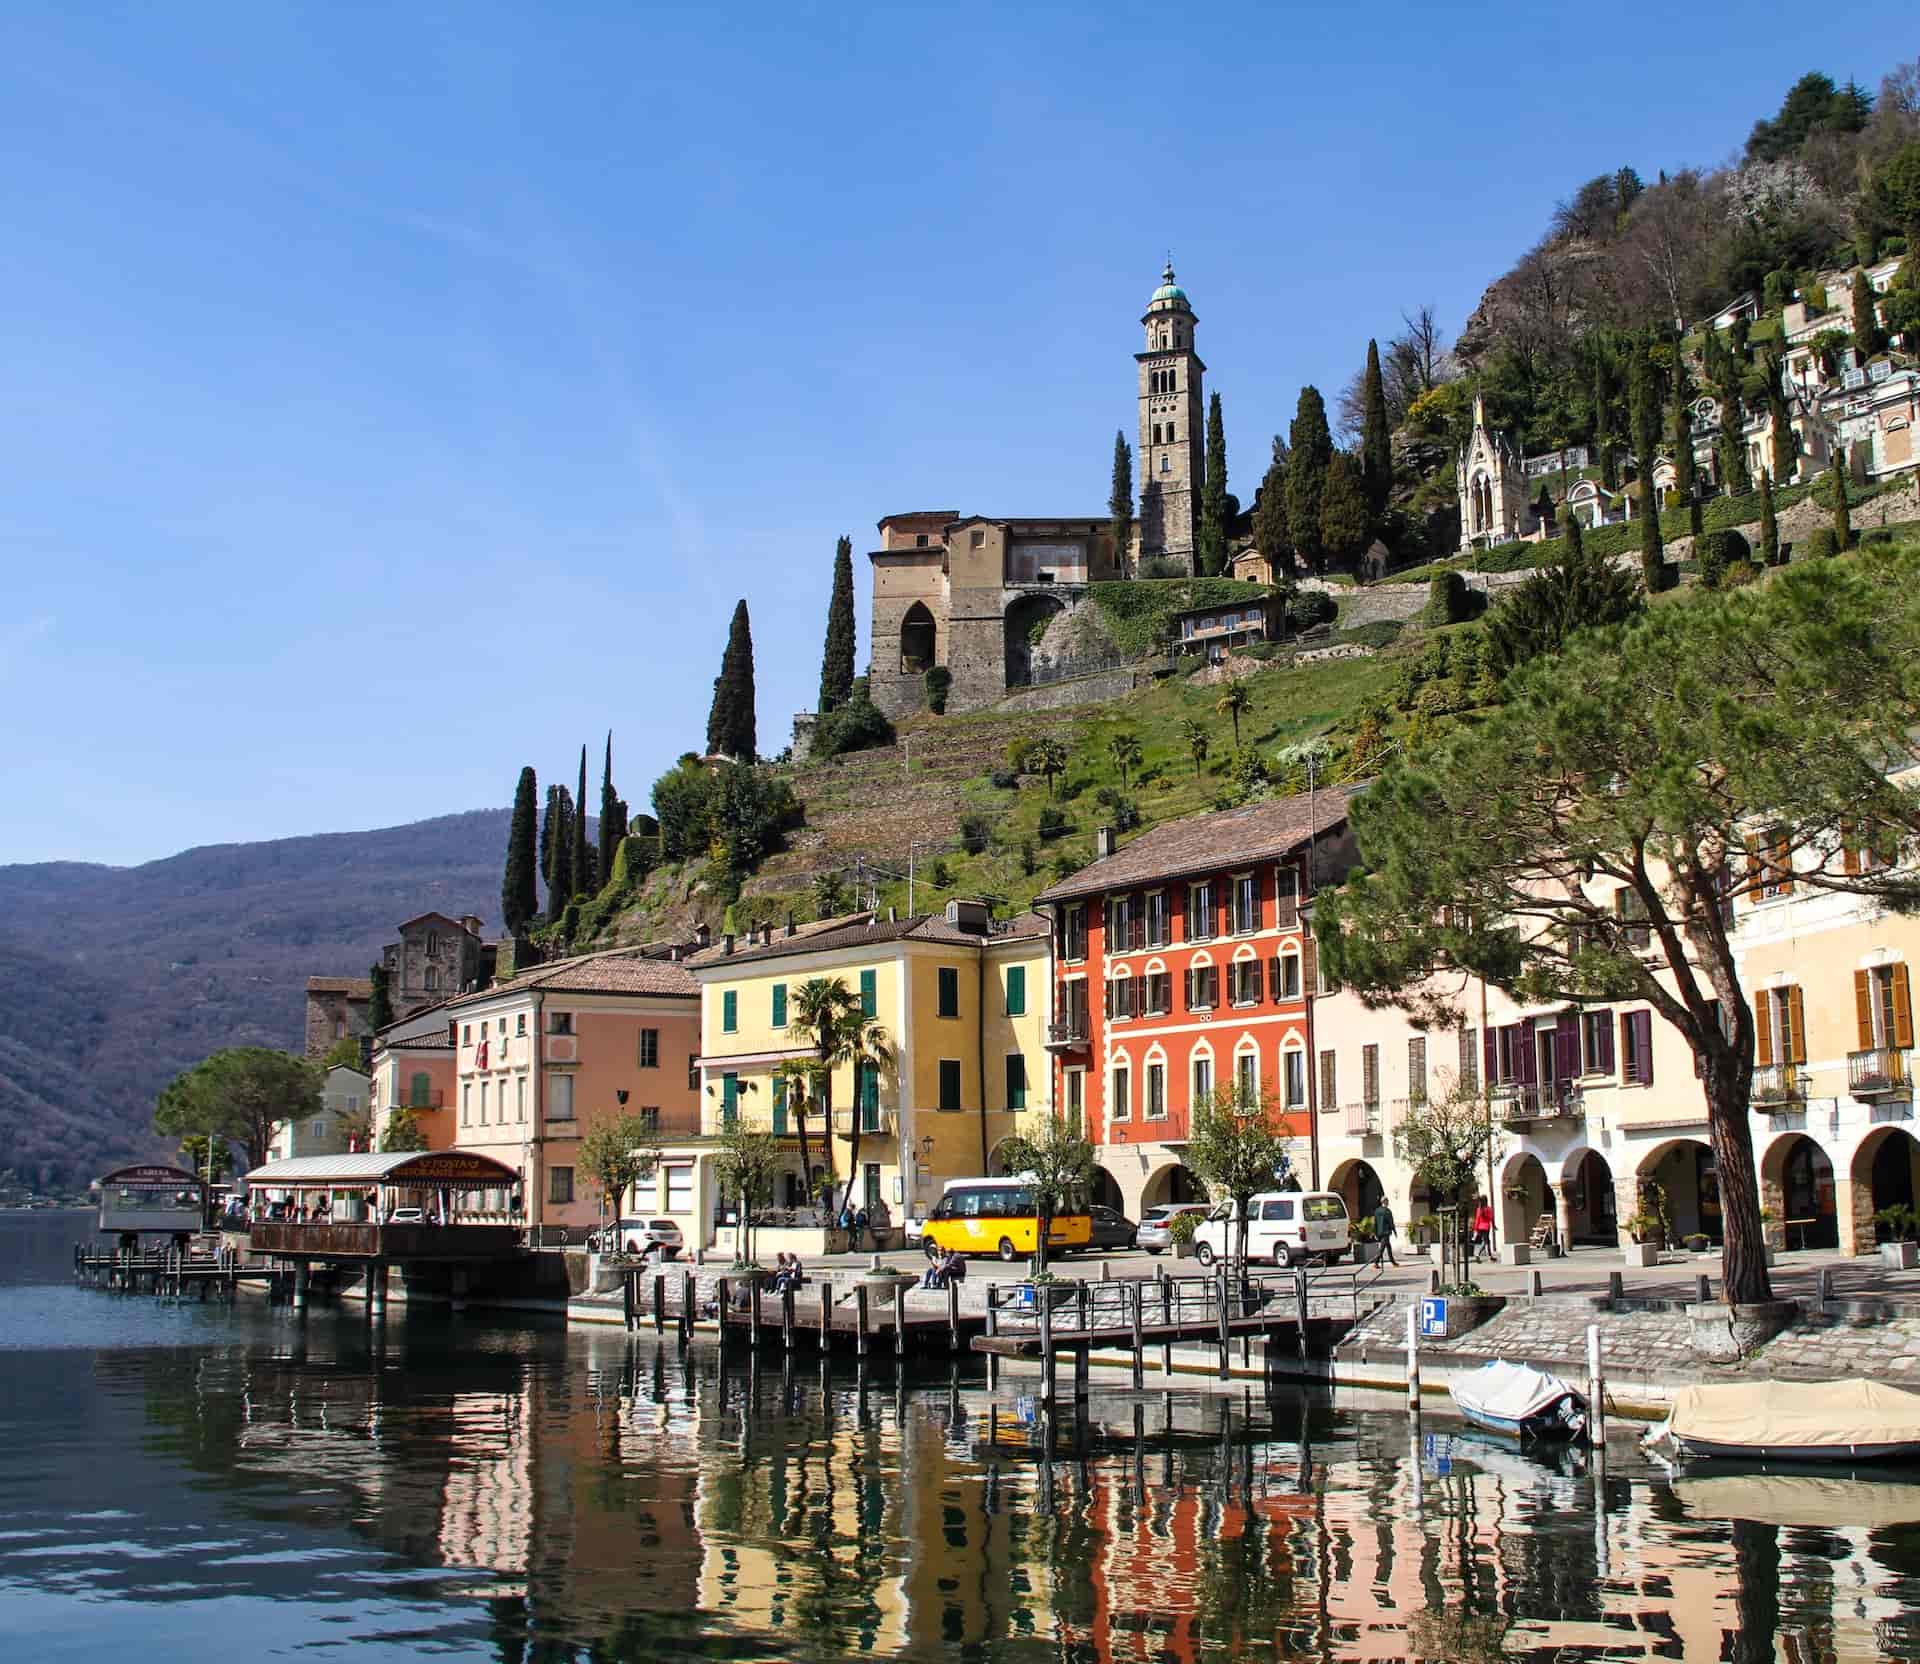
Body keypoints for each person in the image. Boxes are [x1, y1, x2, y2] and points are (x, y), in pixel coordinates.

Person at [1372, 1198, 1398, 1267]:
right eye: (1387, 1201)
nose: (1388, 1202)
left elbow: (1375, 1223)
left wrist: (1375, 1233)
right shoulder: (1387, 1211)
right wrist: (1394, 1231)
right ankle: (1376, 1262)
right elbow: (1391, 1222)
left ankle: (1393, 1262)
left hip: (1379, 1232)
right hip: (1386, 1232)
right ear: (1385, 1202)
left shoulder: (1377, 1210)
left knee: (1388, 1247)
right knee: (1382, 1248)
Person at [1471, 1198, 1494, 1262]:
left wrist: (1475, 1228)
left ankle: (1489, 1256)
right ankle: (1479, 1254)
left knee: (1486, 1241)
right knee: (1486, 1242)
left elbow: (1477, 1219)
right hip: (1486, 1227)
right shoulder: (1488, 1209)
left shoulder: (1479, 1209)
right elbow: (1491, 1218)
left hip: (1480, 1227)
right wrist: (1493, 1225)